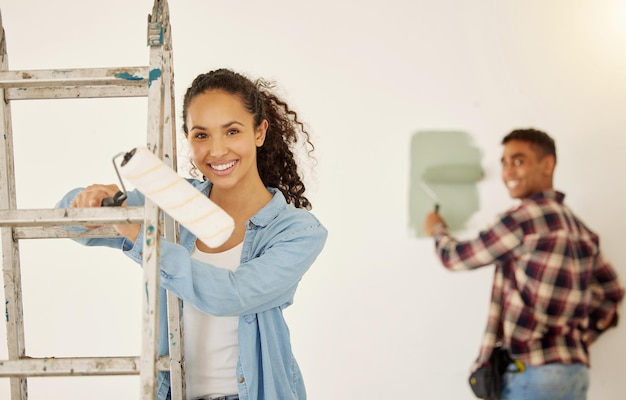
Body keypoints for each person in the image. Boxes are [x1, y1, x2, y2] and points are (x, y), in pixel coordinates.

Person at [57, 68, 328, 400]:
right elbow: (72, 227)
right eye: (201, 135)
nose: (216, 151)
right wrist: (92, 199)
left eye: (232, 131)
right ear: (187, 137)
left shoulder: (297, 231)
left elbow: (232, 295)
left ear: (259, 132)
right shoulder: (172, 201)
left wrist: (143, 239)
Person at [423, 128, 624, 399]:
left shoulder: (521, 219)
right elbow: (612, 293)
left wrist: (437, 231)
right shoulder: (579, 229)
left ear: (548, 164)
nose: (508, 172)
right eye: (504, 163)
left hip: (534, 374)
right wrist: (581, 336)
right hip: (574, 372)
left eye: (518, 161)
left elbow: (456, 258)